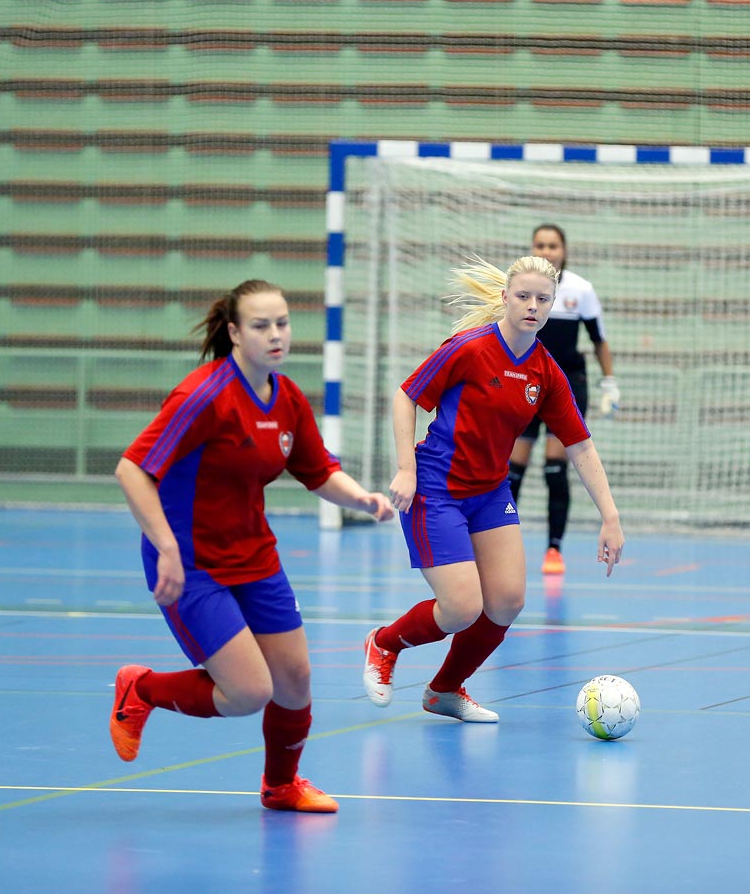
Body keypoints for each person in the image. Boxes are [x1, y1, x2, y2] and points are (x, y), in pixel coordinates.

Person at [110, 279, 394, 812]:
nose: (276, 334)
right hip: (190, 562)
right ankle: (141, 690)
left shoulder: (286, 397)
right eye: (261, 325)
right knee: (246, 692)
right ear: (235, 333)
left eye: (282, 323)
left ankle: (281, 786)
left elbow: (317, 469)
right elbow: (132, 469)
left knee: (294, 678)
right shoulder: (205, 395)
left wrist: (363, 500)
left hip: (254, 555)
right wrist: (166, 548)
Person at [361, 255, 624, 723]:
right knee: (462, 607)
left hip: (488, 494)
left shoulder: (546, 372)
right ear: (505, 297)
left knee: (506, 601)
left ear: (553, 307)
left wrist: (611, 517)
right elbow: (406, 396)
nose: (532, 305)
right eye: (523, 296)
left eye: (543, 299)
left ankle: (444, 690)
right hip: (436, 490)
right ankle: (384, 643)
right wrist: (405, 468)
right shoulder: (469, 348)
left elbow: (580, 445)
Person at [508, 225, 618, 576]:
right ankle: (503, 544)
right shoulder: (522, 290)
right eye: (540, 244)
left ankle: (553, 550)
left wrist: (609, 383)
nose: (547, 250)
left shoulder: (580, 290)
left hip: (565, 386)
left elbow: (599, 340)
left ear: (564, 250)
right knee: (512, 472)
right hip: (524, 385)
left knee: (556, 469)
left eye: (553, 245)